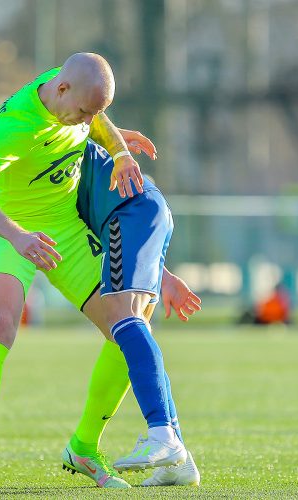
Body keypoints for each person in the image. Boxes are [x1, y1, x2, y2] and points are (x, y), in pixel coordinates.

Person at [0, 53, 200, 491]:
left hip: (66, 236)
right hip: (10, 237)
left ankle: (84, 445)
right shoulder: (13, 128)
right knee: (0, 325)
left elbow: (94, 115)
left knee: (128, 329)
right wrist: (20, 237)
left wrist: (161, 271)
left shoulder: (66, 95)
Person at [75, 139, 201, 485]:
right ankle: (178, 463)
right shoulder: (61, 133)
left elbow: (93, 115)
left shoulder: (41, 135)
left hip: (127, 211)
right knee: (136, 325)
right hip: (147, 208)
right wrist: (163, 274)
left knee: (123, 317)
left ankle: (161, 434)